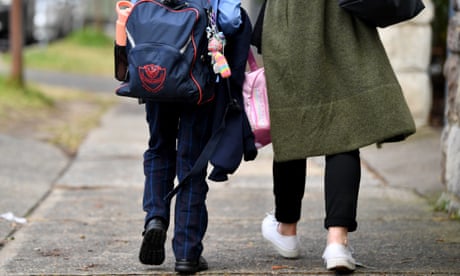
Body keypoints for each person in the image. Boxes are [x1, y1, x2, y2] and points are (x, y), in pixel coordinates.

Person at [256, 0, 416, 273]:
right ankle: (337, 241)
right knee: (344, 130)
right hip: (342, 20)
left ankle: (287, 228)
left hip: (290, 18)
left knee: (292, 122)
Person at [131, 0, 245, 274]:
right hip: (198, 78)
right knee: (191, 162)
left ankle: (156, 217)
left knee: (159, 147)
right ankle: (187, 252)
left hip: (156, 71)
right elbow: (229, 20)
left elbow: (133, 11)